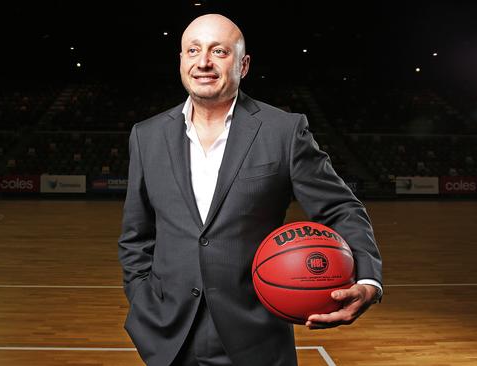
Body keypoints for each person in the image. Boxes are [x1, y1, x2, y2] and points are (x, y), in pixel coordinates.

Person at [118, 13, 383, 366]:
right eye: (193, 50)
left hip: (255, 334)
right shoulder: (146, 135)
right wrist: (141, 297)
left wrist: (367, 278)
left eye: (219, 52)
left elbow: (340, 209)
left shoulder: (283, 131)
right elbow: (136, 234)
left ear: (243, 65)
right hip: (168, 335)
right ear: (181, 61)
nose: (203, 62)